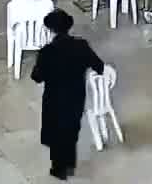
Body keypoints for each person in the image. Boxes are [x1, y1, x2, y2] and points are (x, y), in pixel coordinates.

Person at [31, 10, 104, 180]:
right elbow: (99, 66)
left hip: (54, 100)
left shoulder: (47, 52)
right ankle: (69, 163)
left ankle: (59, 169)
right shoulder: (81, 46)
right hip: (75, 98)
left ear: (50, 30)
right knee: (70, 131)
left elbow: (37, 77)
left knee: (56, 133)